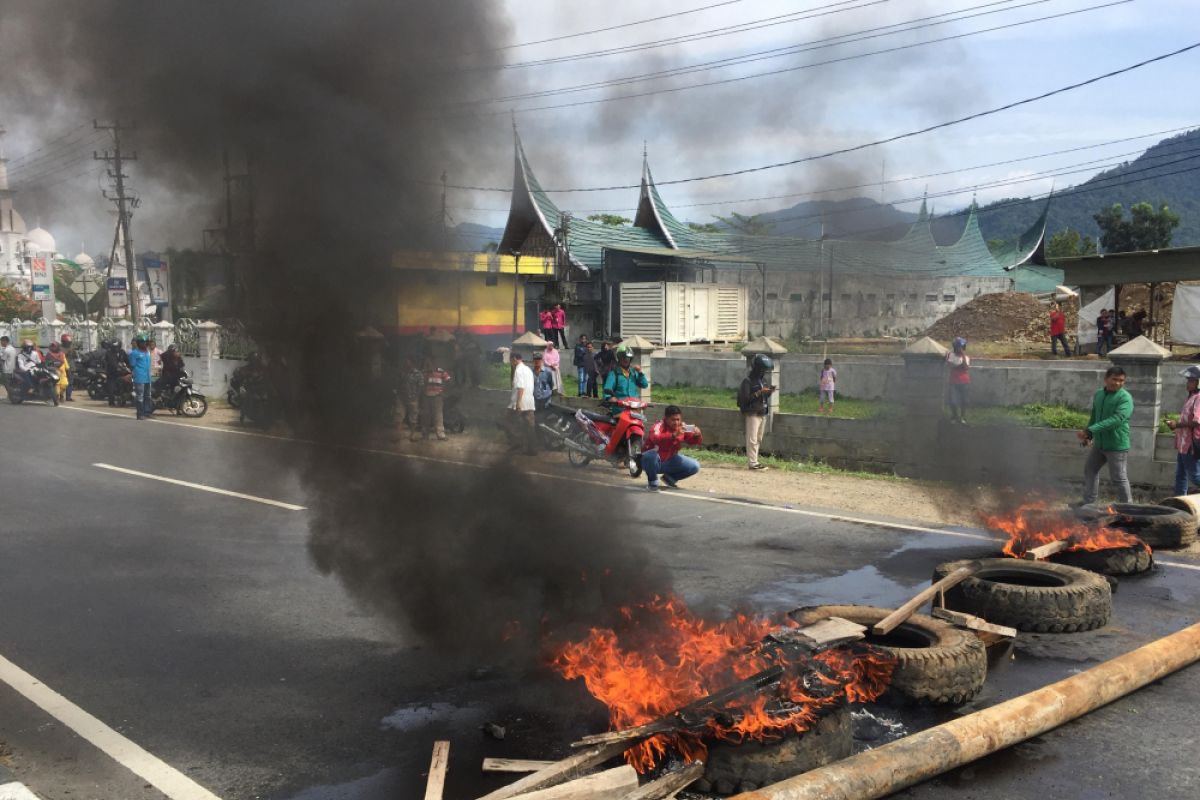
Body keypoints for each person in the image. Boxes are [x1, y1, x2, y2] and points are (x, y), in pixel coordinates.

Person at [1077, 366, 1134, 505]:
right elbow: (1095, 416)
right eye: (1114, 379)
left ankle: (1128, 509)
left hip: (1116, 445)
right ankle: (1089, 503)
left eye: (1121, 381)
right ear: (1106, 379)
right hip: (1100, 444)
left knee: (1119, 478)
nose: (1118, 383)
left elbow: (1116, 420)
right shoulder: (1099, 394)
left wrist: (1092, 430)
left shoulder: (1125, 398)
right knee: (1090, 470)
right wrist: (1088, 434)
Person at [642, 405, 703, 491]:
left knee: (695, 466)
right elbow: (656, 439)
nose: (676, 423)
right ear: (666, 419)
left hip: (670, 461)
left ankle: (669, 479)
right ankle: (653, 482)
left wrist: (697, 435)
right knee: (650, 456)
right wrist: (673, 436)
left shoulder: (682, 427)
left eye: (678, 419)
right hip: (651, 462)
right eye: (673, 420)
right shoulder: (658, 425)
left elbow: (692, 441)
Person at [1166, 366, 1200, 496]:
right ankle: (1180, 502)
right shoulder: (1191, 397)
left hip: (1190, 444)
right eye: (1188, 380)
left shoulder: (1199, 398)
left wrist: (1177, 424)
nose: (1188, 383)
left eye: (1191, 380)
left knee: (1195, 476)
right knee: (1180, 475)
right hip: (1183, 444)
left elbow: (1197, 421)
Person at [738, 354, 774, 470]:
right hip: (752, 413)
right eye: (762, 370)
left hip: (763, 412)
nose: (763, 372)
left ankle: (755, 460)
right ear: (756, 369)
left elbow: (764, 397)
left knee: (758, 438)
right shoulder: (747, 381)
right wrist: (759, 392)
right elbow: (745, 399)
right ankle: (752, 463)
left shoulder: (763, 381)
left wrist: (769, 392)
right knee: (752, 438)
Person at [504, 351, 537, 455]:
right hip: (530, 402)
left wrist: (518, 403)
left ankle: (517, 442)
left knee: (506, 421)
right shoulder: (528, 369)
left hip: (518, 402)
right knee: (529, 427)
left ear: (514, 359)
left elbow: (520, 387)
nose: (511, 363)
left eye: (510, 360)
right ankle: (531, 449)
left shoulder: (518, 370)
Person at [415, 359, 451, 441]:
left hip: (437, 396)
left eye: (430, 362)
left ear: (434, 363)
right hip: (426, 396)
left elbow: (448, 380)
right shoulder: (424, 372)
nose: (428, 364)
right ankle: (425, 434)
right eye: (427, 363)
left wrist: (443, 391)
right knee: (425, 416)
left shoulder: (441, 371)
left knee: (438, 415)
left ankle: (440, 434)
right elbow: (420, 383)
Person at [945, 337, 970, 424]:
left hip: (964, 381)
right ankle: (954, 416)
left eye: (962, 347)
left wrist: (962, 356)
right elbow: (949, 365)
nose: (961, 349)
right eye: (959, 347)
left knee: (964, 400)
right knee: (953, 400)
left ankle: (962, 417)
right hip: (954, 381)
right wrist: (958, 365)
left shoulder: (966, 357)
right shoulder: (950, 355)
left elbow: (966, 367)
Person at [128, 335, 154, 419]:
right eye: (142, 342)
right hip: (139, 377)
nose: (144, 344)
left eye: (145, 342)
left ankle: (147, 412)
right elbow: (132, 365)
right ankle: (140, 414)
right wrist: (136, 373)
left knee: (148, 396)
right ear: (138, 343)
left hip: (147, 377)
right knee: (140, 396)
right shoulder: (134, 353)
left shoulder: (147, 352)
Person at [105, 339, 129, 407]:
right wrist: (117, 367)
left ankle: (125, 398)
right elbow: (112, 362)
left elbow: (127, 360)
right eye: (114, 347)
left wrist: (131, 367)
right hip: (112, 373)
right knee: (111, 389)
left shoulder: (122, 352)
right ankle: (111, 402)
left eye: (117, 347)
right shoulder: (108, 353)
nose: (116, 348)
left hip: (122, 373)